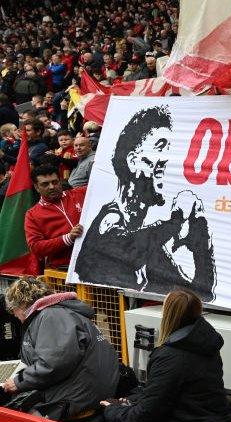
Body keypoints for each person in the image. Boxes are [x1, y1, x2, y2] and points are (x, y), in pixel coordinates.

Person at [76, 105, 216, 299]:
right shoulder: (109, 222)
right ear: (133, 161)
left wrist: (200, 238)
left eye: (170, 149)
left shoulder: (150, 241)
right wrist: (176, 221)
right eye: (160, 147)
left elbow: (201, 295)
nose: (168, 159)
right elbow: (130, 245)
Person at [95, 289, 231, 422]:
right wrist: (131, 402)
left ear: (167, 314)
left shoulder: (170, 356)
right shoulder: (206, 343)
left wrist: (112, 409)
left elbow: (145, 418)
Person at [2, 277, 119, 422]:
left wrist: (18, 381)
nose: (14, 315)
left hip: (78, 397)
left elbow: (54, 363)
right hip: (88, 390)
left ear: (23, 304)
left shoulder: (51, 316)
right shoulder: (61, 312)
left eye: (14, 309)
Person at [24, 163, 87, 272]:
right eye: (45, 184)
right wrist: (67, 238)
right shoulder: (32, 215)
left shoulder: (81, 194)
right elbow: (36, 247)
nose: (52, 187)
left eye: (55, 182)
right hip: (63, 271)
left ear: (60, 180)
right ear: (36, 187)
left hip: (96, 263)